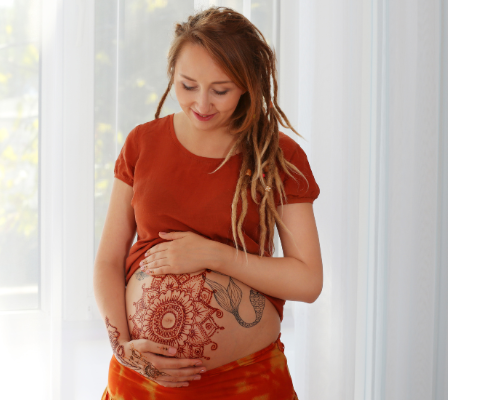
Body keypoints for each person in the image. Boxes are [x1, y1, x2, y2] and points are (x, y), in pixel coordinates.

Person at [94, 7, 323, 398]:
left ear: (248, 85)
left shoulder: (277, 156)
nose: (202, 103)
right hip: (143, 380)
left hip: (246, 382)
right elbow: (108, 261)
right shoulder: (142, 143)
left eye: (221, 90)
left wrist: (212, 255)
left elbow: (308, 281)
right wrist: (122, 348)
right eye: (187, 85)